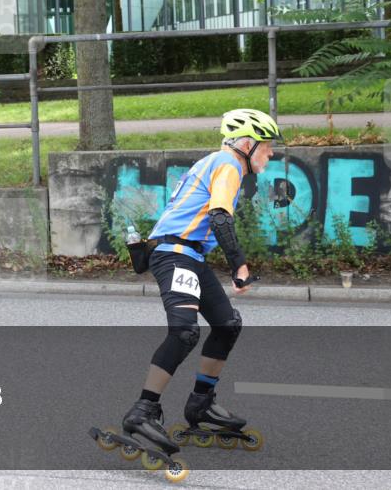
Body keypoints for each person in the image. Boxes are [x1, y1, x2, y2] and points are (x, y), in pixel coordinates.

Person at [120, 108, 281, 454]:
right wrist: (239, 266)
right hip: (174, 254)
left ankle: (201, 403)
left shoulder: (221, 163)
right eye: (268, 146)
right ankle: (143, 410)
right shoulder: (229, 164)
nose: (271, 153)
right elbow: (220, 216)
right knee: (185, 331)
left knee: (227, 324)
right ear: (248, 143)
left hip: (190, 256)